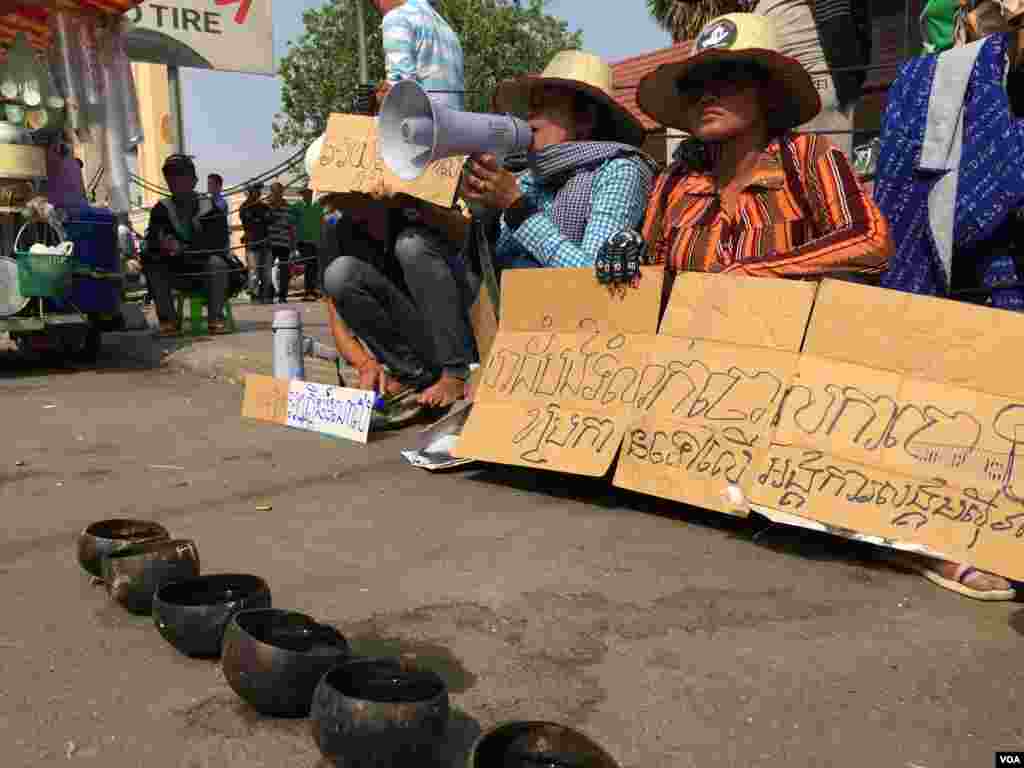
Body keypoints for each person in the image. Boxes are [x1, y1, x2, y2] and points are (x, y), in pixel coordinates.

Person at [460, 50, 658, 275]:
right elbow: (488, 269)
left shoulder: (620, 171)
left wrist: (516, 207)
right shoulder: (529, 179)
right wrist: (486, 213)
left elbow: (593, 277)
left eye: (543, 104)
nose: (528, 116)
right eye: (530, 106)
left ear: (585, 118)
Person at [752, 0, 872, 159]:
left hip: (818, 75)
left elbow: (856, 25)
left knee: (828, 168)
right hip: (779, 85)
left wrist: (848, 77)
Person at [143, 154, 230, 336]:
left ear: (193, 180)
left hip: (204, 270)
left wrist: (184, 248)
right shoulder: (161, 209)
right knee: (152, 262)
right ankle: (168, 321)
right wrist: (162, 244)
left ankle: (216, 318)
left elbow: (219, 243)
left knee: (218, 263)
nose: (174, 179)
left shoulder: (210, 207)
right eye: (170, 175)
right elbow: (151, 241)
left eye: (180, 174)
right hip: (174, 270)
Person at [373, 0, 465, 111]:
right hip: (458, 123)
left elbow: (400, 89)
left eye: (375, 4)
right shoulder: (447, 29)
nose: (379, 10)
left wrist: (378, 98)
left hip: (425, 124)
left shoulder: (396, 18)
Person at [240, 183, 272, 303]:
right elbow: (249, 223)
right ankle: (255, 295)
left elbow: (269, 220)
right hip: (253, 244)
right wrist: (260, 220)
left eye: (259, 190)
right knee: (254, 272)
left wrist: (259, 219)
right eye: (255, 190)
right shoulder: (244, 207)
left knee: (266, 272)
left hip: (266, 243)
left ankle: (265, 295)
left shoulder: (264, 207)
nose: (258, 193)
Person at [290, 187, 325, 301]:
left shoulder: (318, 206)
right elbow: (291, 224)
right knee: (310, 265)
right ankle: (309, 291)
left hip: (317, 241)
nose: (307, 195)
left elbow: (322, 221)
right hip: (303, 241)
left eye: (309, 193)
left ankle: (313, 290)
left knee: (315, 266)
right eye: (305, 193)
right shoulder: (296, 207)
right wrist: (293, 242)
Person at [266, 182, 296, 304]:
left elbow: (291, 227)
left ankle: (283, 296)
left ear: (282, 192)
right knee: (268, 270)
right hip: (270, 243)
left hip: (284, 243)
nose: (277, 193)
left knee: (284, 271)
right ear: (272, 192)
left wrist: (293, 244)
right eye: (274, 191)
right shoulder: (267, 206)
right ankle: (269, 295)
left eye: (279, 191)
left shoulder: (288, 206)